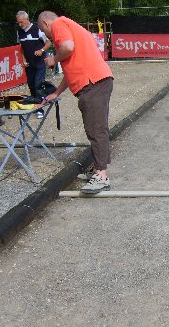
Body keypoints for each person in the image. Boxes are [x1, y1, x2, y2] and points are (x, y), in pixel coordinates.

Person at [37, 11, 114, 194]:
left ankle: (101, 176)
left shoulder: (58, 25)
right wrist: (56, 92)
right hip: (95, 81)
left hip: (92, 82)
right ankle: (97, 169)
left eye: (43, 31)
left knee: (96, 129)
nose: (46, 36)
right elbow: (70, 69)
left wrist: (53, 59)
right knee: (95, 128)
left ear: (46, 24)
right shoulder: (69, 26)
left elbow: (68, 47)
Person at [16, 11, 52, 119]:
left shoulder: (37, 29)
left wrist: (41, 50)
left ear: (27, 20)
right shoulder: (19, 31)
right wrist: (22, 59)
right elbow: (21, 47)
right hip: (29, 63)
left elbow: (48, 43)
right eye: (18, 22)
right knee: (31, 85)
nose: (20, 24)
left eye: (21, 22)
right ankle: (34, 104)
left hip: (40, 62)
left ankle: (40, 108)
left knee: (37, 84)